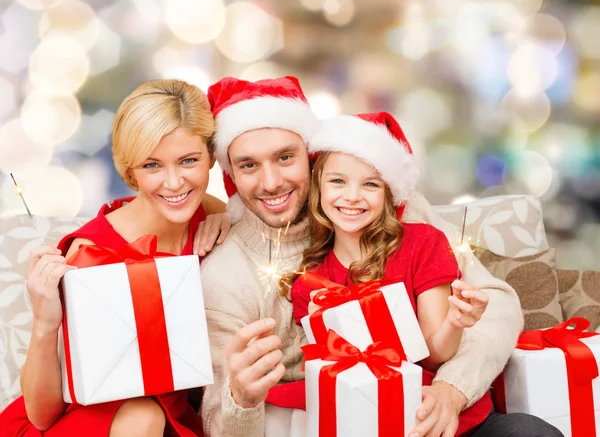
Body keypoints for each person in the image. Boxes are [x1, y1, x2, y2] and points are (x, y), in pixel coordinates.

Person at [199, 75, 562, 437]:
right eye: (248, 165)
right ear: (231, 172)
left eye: (285, 157)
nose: (271, 182)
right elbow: (218, 421)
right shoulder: (226, 274)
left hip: (440, 413)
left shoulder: (397, 215)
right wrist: (241, 399)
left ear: (312, 157)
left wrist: (453, 390)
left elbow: (497, 304)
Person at [0, 79, 230, 437]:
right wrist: (45, 324)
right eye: (152, 165)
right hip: (90, 424)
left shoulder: (208, 212)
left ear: (212, 157)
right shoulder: (91, 254)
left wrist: (232, 221)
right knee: (144, 414)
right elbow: (42, 415)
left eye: (189, 161)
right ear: (131, 170)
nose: (174, 183)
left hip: (173, 418)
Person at [286, 112, 511, 436]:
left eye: (370, 184)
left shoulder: (423, 243)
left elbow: (434, 357)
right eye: (337, 181)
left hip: (448, 417)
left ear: (389, 194)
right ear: (317, 188)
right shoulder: (310, 282)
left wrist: (455, 323)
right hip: (373, 420)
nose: (352, 196)